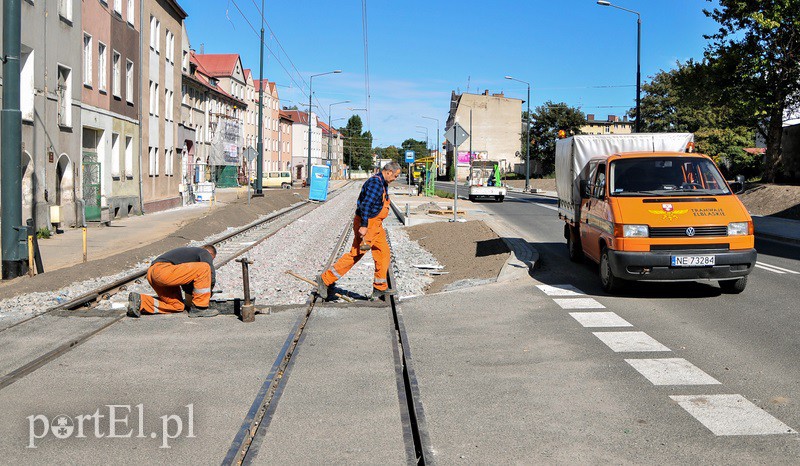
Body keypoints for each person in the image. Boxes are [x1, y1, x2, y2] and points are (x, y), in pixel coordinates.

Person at [317, 162, 403, 301]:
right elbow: (366, 205)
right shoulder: (376, 183)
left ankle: (379, 288)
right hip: (368, 223)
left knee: (383, 252)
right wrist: (363, 225)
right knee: (356, 254)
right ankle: (325, 279)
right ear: (388, 172)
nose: (395, 178)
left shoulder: (383, 182)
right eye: (395, 175)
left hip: (376, 225)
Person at [127, 245, 219, 318]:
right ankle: (199, 309)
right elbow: (210, 274)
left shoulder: (188, 257)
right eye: (212, 259)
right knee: (204, 267)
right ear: (210, 253)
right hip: (163, 270)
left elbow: (185, 281)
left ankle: (140, 301)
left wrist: (191, 298)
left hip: (153, 273)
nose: (210, 260)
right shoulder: (204, 252)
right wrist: (208, 293)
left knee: (177, 306)